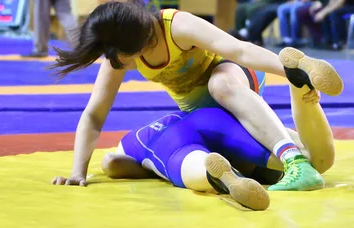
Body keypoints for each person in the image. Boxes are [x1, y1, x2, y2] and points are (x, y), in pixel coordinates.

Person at [49, 0, 344, 191]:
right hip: (207, 110)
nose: (112, 61)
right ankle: (292, 144)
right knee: (249, 156)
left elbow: (239, 49)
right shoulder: (123, 53)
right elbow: (94, 114)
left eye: (113, 55)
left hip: (234, 77)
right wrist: (78, 172)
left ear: (133, 46)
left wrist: (294, 67)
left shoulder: (176, 26)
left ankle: (294, 160)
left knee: (220, 85)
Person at [91, 77, 335, 211]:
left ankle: (223, 179)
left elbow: (110, 162)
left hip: (168, 144)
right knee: (311, 160)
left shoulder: (135, 142)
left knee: (191, 164)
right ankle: (301, 92)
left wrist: (147, 171)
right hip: (210, 118)